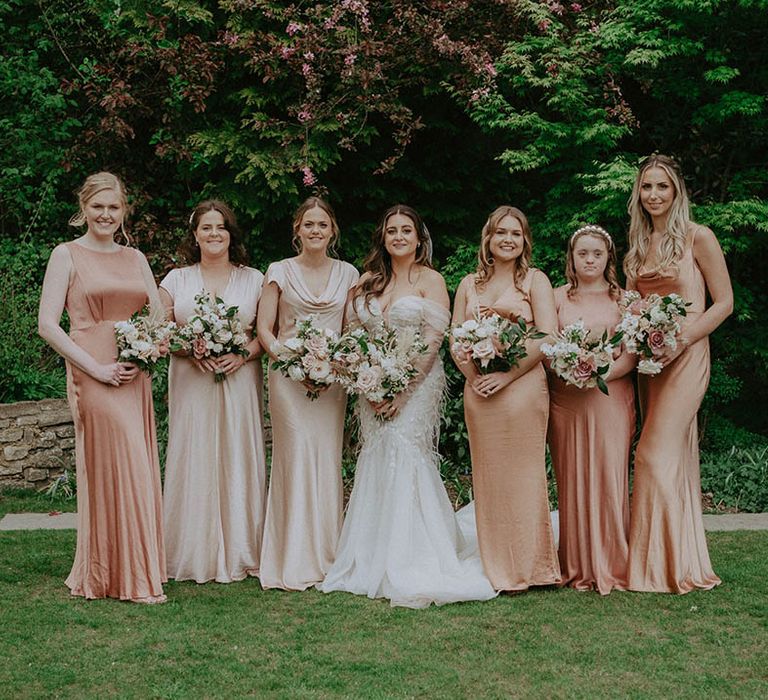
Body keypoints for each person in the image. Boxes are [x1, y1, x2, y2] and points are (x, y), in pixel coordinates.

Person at [318, 205, 496, 607]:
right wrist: (366, 380)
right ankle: (369, 555)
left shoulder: (432, 280)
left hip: (416, 384)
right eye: (391, 230)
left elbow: (434, 340)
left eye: (406, 230)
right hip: (370, 383)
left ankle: (412, 555)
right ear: (383, 237)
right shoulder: (367, 282)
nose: (399, 236)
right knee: (376, 456)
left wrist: (402, 388)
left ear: (419, 238)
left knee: (406, 453)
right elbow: (351, 336)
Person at [38, 172, 166, 603]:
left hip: (132, 374)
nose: (106, 214)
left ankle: (133, 571)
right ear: (84, 208)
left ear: (123, 210)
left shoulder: (136, 258)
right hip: (92, 371)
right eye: (98, 207)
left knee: (139, 467)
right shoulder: (66, 254)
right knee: (123, 462)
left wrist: (142, 351)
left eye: (113, 207)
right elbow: (47, 325)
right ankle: (122, 576)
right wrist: (96, 368)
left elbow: (158, 313)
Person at [624, 155, 733, 593]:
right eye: (647, 187)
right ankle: (676, 560)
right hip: (651, 364)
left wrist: (681, 339)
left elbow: (724, 303)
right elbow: (631, 308)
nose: (653, 195)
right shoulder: (635, 246)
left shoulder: (697, 237)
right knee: (668, 457)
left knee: (652, 453)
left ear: (677, 192)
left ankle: (661, 569)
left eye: (662, 187)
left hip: (686, 357)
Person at [451, 206, 561, 592]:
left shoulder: (535, 280)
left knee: (526, 475)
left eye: (515, 233)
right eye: (500, 233)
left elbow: (547, 335)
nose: (507, 239)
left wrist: (506, 375)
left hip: (524, 387)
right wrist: (476, 376)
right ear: (489, 239)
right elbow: (455, 339)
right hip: (480, 390)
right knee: (489, 477)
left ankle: (535, 567)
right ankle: (497, 564)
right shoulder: (468, 284)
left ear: (524, 240)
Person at [159, 200, 267, 584]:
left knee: (237, 452)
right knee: (195, 451)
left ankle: (243, 549)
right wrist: (190, 350)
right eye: (206, 227)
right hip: (192, 380)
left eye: (220, 227)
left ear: (230, 233)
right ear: (195, 234)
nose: (214, 234)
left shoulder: (254, 279)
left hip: (239, 378)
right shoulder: (175, 280)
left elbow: (264, 334)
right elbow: (160, 330)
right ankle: (189, 551)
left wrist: (242, 354)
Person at [257, 197, 359, 591]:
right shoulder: (279, 271)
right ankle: (291, 558)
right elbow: (265, 329)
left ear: (333, 231)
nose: (315, 231)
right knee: (295, 455)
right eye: (308, 224)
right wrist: (290, 360)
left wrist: (335, 364)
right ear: (297, 230)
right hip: (287, 379)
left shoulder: (349, 273)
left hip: (332, 380)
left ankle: (328, 555)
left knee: (326, 458)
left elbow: (351, 327)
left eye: (322, 225)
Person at [546, 225, 636, 595]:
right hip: (566, 400)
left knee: (608, 475)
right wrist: (570, 370)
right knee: (572, 476)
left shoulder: (625, 300)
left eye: (597, 254)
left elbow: (631, 354)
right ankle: (576, 564)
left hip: (610, 397)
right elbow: (548, 346)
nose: (589, 260)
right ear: (572, 257)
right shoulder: (555, 297)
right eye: (582, 253)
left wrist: (598, 373)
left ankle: (613, 562)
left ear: (608, 258)